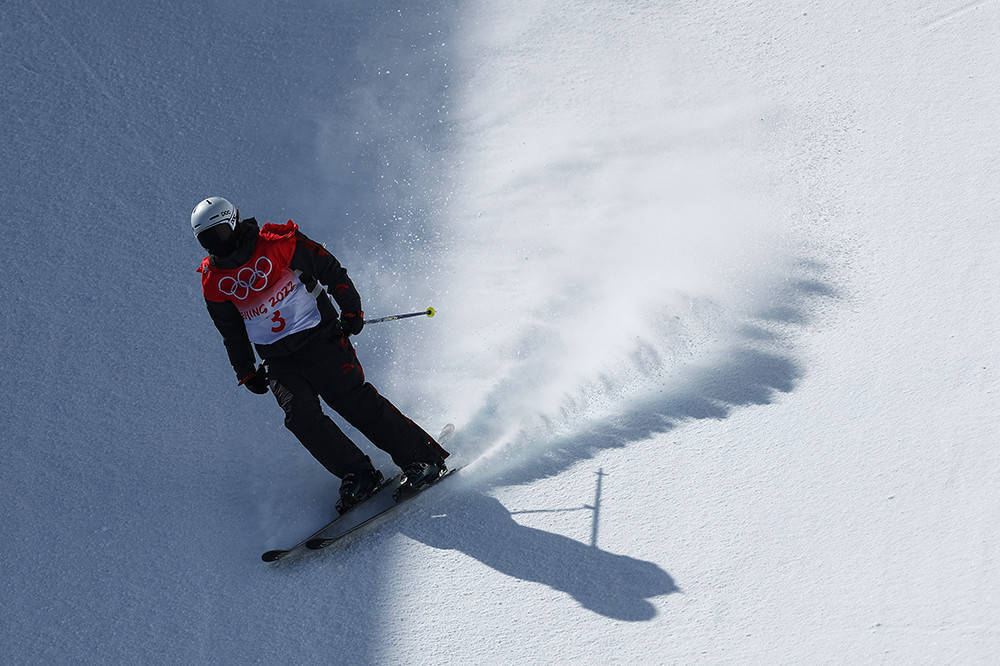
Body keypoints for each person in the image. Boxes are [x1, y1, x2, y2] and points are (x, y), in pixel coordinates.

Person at [191, 196, 449, 513]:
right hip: (278, 359)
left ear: (232, 223)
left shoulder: (277, 244)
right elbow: (230, 329)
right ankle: (358, 473)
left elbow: (328, 268)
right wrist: (245, 369)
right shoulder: (213, 280)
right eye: (205, 240)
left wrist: (351, 309)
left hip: (319, 337)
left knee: (352, 400)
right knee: (300, 418)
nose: (213, 246)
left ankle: (422, 458)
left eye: (217, 235)